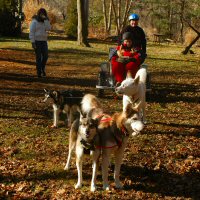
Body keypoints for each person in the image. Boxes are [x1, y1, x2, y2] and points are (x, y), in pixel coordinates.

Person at [29, 8, 51, 78]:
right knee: (38, 57)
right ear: (39, 14)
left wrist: (46, 20)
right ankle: (39, 72)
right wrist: (32, 42)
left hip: (44, 41)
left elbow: (48, 28)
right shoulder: (34, 21)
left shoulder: (45, 21)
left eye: (44, 14)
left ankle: (42, 68)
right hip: (37, 41)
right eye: (41, 14)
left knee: (45, 56)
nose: (42, 15)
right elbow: (31, 32)